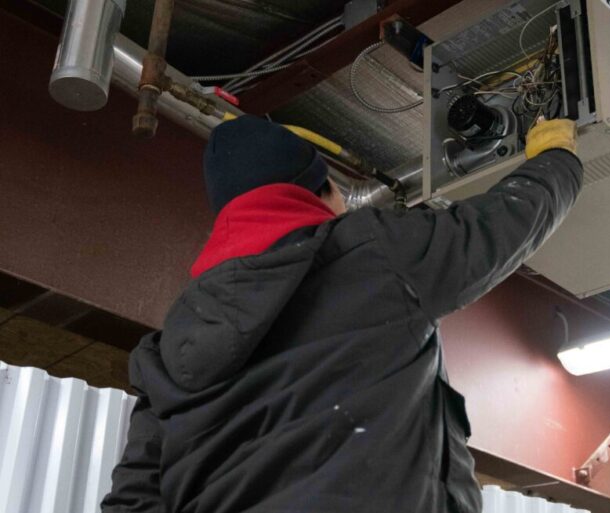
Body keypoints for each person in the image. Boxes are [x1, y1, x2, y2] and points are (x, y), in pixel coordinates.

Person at [102, 115, 582, 513]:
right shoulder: (373, 253)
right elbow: (502, 224)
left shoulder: (165, 352)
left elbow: (132, 501)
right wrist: (556, 157)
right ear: (319, 192)